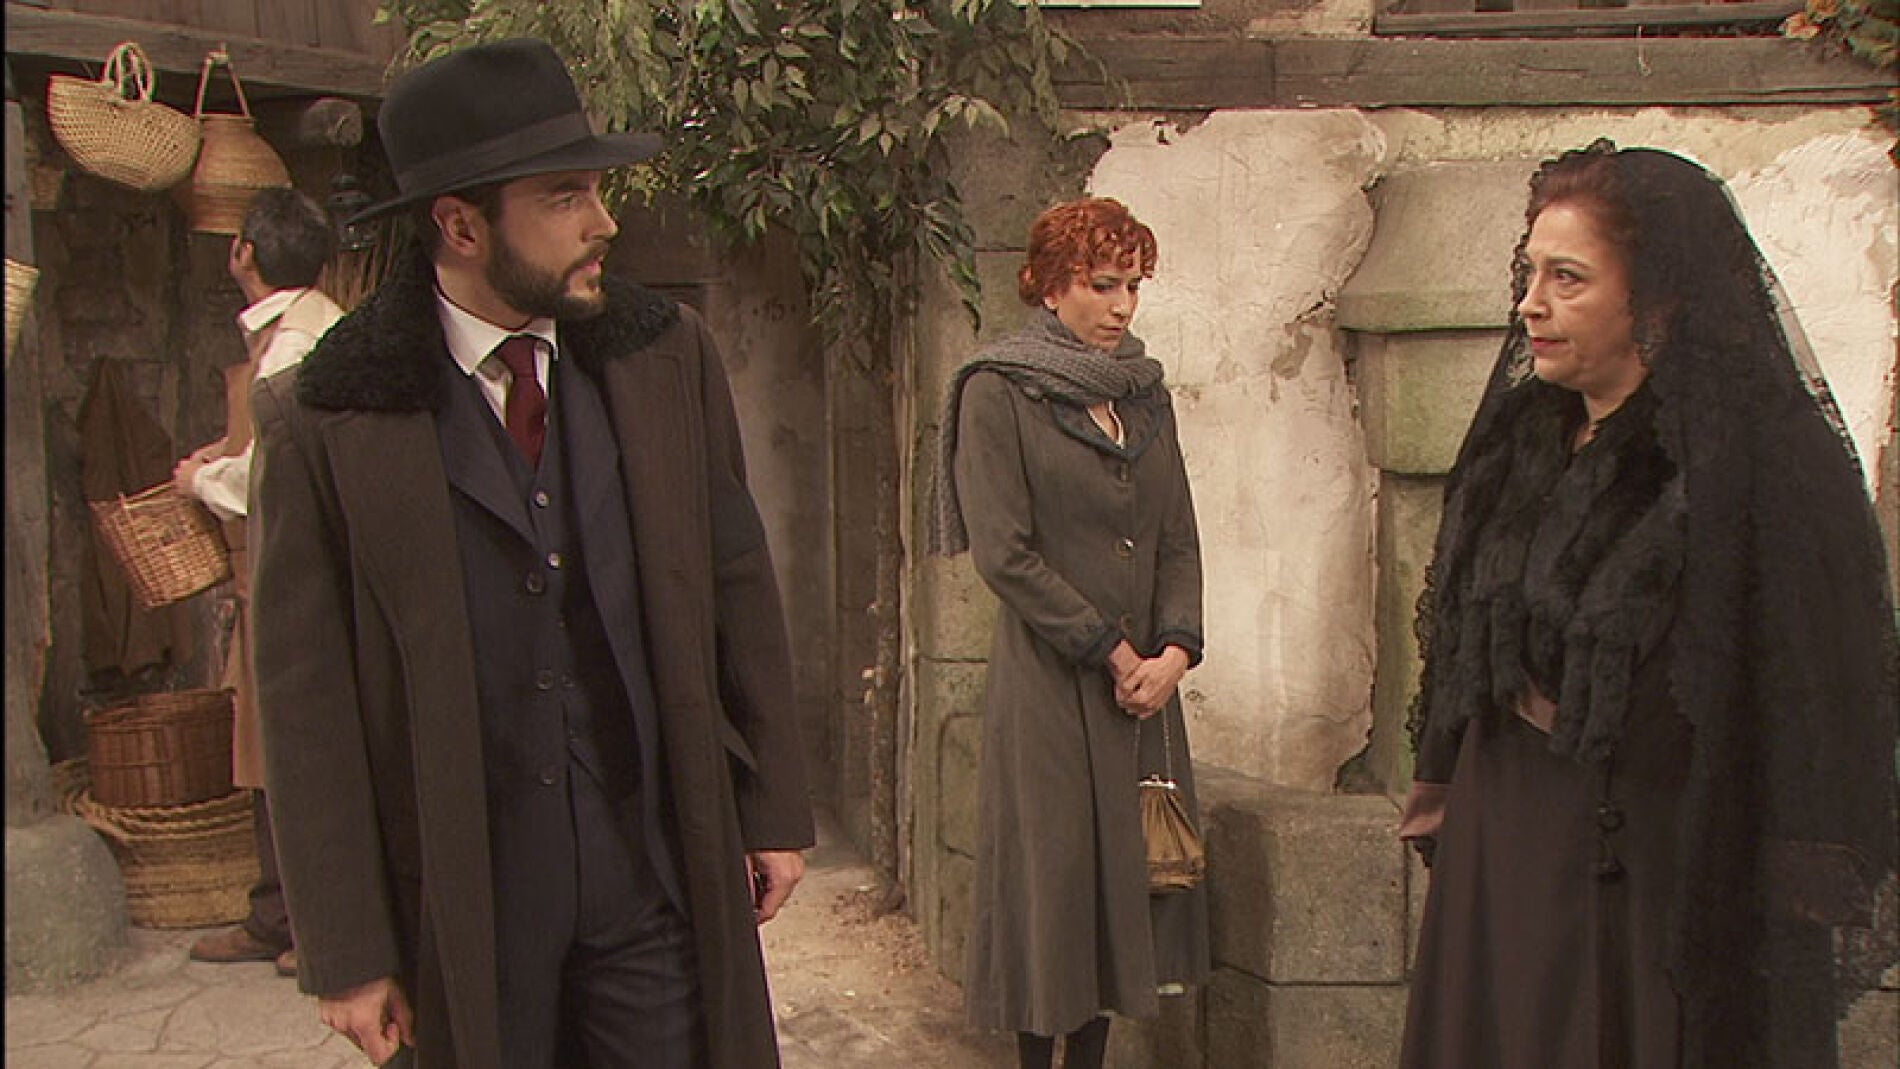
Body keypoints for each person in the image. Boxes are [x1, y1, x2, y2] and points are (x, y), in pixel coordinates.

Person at [248, 38, 814, 1069]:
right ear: (461, 226)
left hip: (648, 874)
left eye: (596, 189)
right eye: (564, 197)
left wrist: (771, 806)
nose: (604, 222)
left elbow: (737, 582)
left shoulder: (662, 356)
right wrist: (346, 949)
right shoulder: (326, 416)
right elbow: (305, 701)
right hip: (466, 895)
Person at [1398, 141, 1899, 1068]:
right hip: (1502, 855)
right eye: (1530, 273)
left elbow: (1823, 689)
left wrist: (1789, 872)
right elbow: (1466, 652)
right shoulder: (1519, 441)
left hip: (1655, 878)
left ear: (1658, 296)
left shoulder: (1763, 465)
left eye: (1568, 278)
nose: (1531, 303)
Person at [932, 197, 1211, 1069]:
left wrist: (1174, 652)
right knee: (1053, 887)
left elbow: (1177, 534)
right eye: (1103, 284)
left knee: (1122, 886)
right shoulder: (997, 390)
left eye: (1133, 286)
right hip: (1052, 686)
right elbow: (1004, 553)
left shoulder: (1144, 393)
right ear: (1051, 286)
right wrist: (1113, 651)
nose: (1123, 305)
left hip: (1142, 694)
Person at [174, 186, 344, 980]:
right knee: (268, 744)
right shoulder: (301, 329)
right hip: (285, 565)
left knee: (290, 742)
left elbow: (274, 473)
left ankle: (307, 920)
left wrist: (200, 481)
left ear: (244, 252)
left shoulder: (297, 345)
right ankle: (280, 910)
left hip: (293, 568)